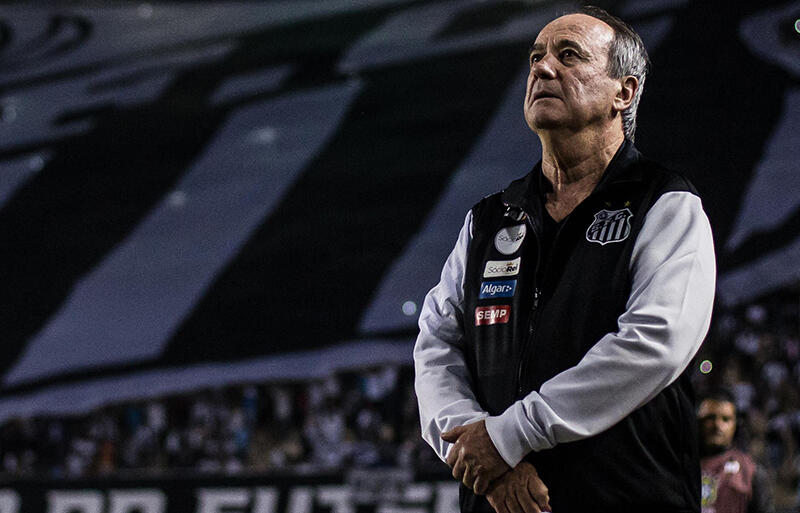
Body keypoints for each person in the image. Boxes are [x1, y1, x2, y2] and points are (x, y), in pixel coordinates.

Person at [413, 5, 717, 512]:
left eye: (569, 55)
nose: (543, 67)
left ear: (624, 92)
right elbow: (437, 345)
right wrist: (473, 446)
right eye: (536, 57)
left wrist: (508, 437)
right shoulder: (489, 219)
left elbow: (655, 343)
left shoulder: (665, 203)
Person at [698, 389, 774, 513]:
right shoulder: (680, 466)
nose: (717, 425)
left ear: (736, 425)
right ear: (697, 421)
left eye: (726, 419)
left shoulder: (750, 471)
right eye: (710, 418)